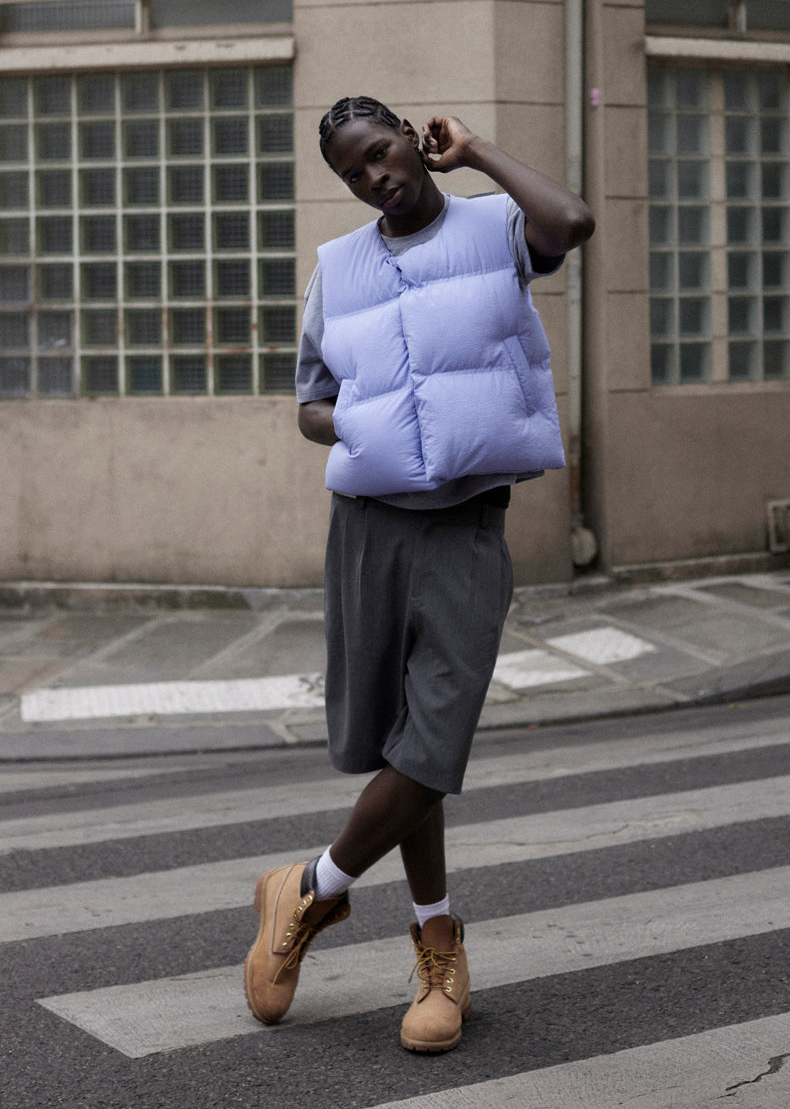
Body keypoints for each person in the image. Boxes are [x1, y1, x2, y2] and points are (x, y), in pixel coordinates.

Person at [243, 96, 594, 1053]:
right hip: (368, 528)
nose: (374, 177)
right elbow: (310, 405)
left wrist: (476, 152)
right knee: (398, 745)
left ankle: (308, 889)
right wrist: (363, 418)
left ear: (412, 136)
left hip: (467, 527)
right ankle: (439, 944)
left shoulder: (495, 229)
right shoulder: (337, 268)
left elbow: (572, 223)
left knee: (435, 739)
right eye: (352, 172)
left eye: (380, 152)